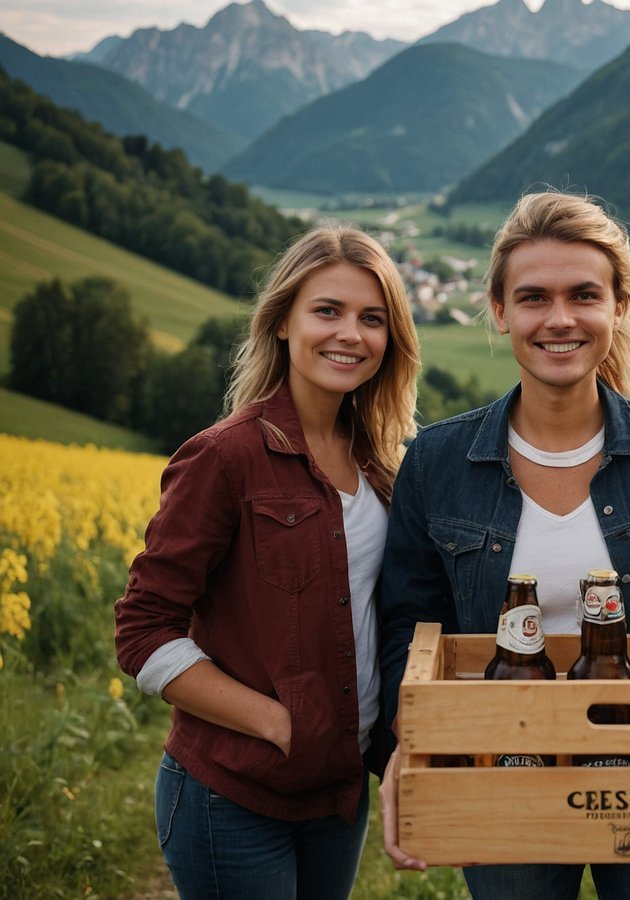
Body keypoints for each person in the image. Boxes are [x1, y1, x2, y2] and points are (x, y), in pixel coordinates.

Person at [377, 190, 630, 899]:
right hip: (501, 770)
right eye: (533, 297)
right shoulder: (437, 462)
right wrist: (412, 740)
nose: (558, 319)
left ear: (618, 305)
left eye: (584, 295)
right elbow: (409, 622)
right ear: (500, 311)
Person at [114, 224, 420, 900]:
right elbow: (142, 631)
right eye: (327, 311)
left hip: (337, 796)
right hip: (233, 795)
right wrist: (277, 724)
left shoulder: (380, 464)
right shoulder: (225, 457)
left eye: (373, 318)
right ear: (283, 322)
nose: (350, 334)